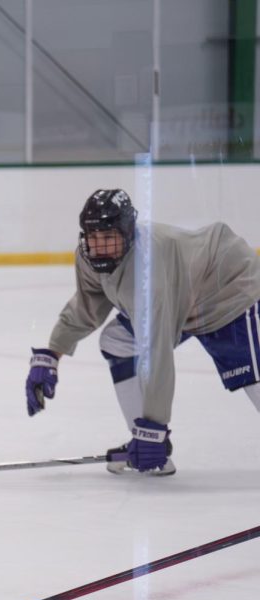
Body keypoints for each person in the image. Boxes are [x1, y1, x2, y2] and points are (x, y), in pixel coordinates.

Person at [25, 188, 260, 475]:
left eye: (108, 237)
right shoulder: (90, 257)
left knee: (255, 381)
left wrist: (156, 426)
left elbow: (156, 353)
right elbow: (86, 307)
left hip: (227, 289)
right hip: (184, 295)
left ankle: (149, 436)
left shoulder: (149, 272)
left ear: (127, 234)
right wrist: (52, 353)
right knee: (117, 342)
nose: (99, 246)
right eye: (93, 237)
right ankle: (144, 437)